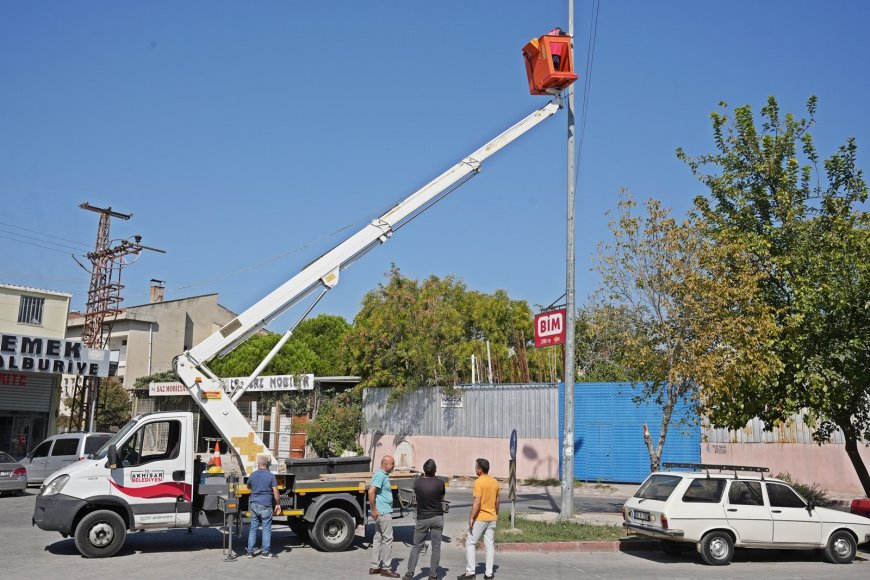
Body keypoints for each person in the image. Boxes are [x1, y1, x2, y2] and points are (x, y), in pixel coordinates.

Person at [403, 459, 446, 580]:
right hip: (437, 517)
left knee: (416, 546)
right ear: (435, 470)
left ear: (424, 470)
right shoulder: (440, 483)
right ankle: (432, 576)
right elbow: (442, 498)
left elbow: (416, 497)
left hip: (422, 518)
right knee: (436, 547)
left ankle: (409, 574)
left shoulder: (417, 483)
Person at [458, 458, 500, 580]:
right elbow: (497, 501)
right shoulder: (495, 482)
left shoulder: (478, 482)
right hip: (492, 518)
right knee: (489, 545)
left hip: (480, 518)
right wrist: (495, 514)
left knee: (470, 542)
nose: (475, 468)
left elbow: (477, 502)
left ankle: (470, 573)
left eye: (476, 467)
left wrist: (471, 517)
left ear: (480, 469)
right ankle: (489, 574)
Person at [369, 455, 399, 577]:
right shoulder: (380, 475)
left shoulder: (382, 475)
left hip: (381, 512)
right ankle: (386, 568)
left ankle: (374, 567)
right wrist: (374, 509)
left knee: (377, 538)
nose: (394, 466)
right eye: (392, 464)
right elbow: (371, 491)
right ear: (385, 464)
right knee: (387, 539)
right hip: (383, 513)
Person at [247, 455, 282, 559]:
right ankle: (265, 553)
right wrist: (278, 504)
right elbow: (276, 491)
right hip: (266, 505)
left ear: (258, 464)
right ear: (267, 465)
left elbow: (248, 486)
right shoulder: (271, 476)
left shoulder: (252, 475)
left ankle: (250, 552)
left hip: (254, 504)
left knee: (253, 528)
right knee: (266, 529)